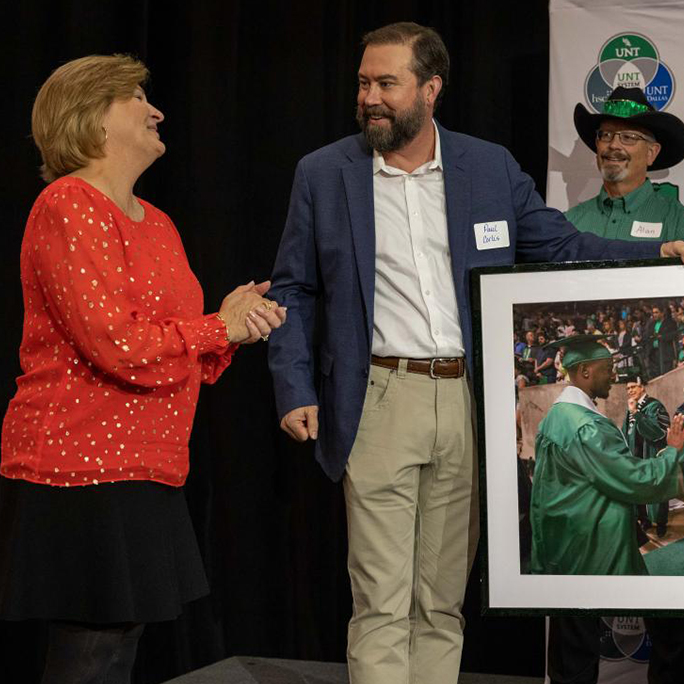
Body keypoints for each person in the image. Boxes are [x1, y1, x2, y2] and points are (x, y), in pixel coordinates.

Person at [267, 22, 684, 684]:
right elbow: (294, 289)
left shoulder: (487, 167)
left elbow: (562, 248)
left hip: (469, 401)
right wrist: (295, 388)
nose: (370, 97)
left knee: (440, 601)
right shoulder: (324, 174)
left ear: (430, 89)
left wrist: (660, 253)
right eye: (363, 83)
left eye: (387, 84)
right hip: (377, 398)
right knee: (381, 600)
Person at [0, 55, 286, 684]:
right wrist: (218, 328)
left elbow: (173, 356)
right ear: (93, 118)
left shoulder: (157, 223)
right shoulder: (68, 204)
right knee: (90, 650)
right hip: (80, 466)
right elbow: (116, 345)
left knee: (119, 644)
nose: (156, 110)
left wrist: (229, 325)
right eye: (136, 97)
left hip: (147, 463)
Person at [530, 336, 684, 684]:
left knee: (569, 649)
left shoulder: (561, 416)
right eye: (607, 370)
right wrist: (673, 451)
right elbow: (631, 478)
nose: (613, 377)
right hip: (588, 550)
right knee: (577, 658)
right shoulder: (584, 425)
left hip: (567, 543)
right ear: (584, 371)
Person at [568, 86, 684, 241]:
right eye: (606, 135)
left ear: (651, 153)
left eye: (628, 137)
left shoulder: (678, 221)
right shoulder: (569, 224)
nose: (614, 145)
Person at [623, 376, 671, 537]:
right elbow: (627, 433)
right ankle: (644, 518)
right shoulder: (631, 407)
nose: (630, 391)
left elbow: (658, 433)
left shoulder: (654, 406)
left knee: (657, 488)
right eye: (628, 388)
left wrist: (636, 413)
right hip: (636, 455)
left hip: (651, 454)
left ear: (642, 386)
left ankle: (661, 522)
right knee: (640, 488)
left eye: (633, 387)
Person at [644, 303, 678, 378]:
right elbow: (647, 336)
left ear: (662, 313)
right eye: (653, 313)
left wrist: (661, 337)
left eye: (656, 312)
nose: (654, 314)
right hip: (654, 353)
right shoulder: (652, 324)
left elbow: (674, 335)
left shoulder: (670, 323)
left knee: (666, 375)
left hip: (665, 353)